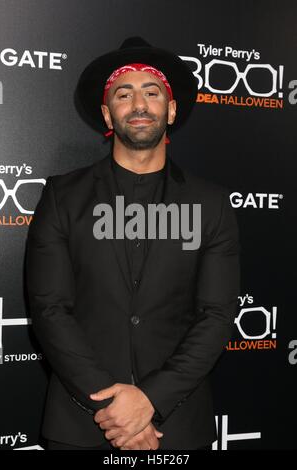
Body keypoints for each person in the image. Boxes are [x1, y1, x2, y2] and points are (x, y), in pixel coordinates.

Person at [25, 37, 240, 451]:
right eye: (124, 94)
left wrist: (151, 400)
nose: (138, 104)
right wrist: (115, 406)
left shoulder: (211, 204)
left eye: (152, 92)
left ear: (171, 109)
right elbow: (49, 309)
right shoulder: (62, 196)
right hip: (80, 424)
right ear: (108, 113)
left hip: (176, 425)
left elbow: (215, 315)